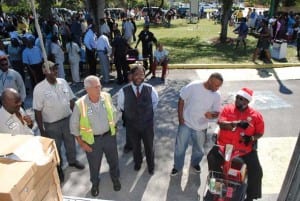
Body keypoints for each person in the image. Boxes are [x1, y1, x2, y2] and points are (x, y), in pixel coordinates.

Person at [206, 87, 264, 201]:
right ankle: (217, 188)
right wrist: (236, 123)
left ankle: (251, 196)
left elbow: (260, 133)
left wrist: (251, 137)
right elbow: (221, 124)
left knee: (257, 171)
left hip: (243, 150)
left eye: (241, 99)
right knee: (211, 158)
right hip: (225, 147)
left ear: (247, 101)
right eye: (237, 97)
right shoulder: (228, 109)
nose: (238, 100)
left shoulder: (256, 116)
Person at [33, 61, 84, 183]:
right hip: (52, 125)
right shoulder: (39, 88)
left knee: (70, 143)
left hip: (68, 120)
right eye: (52, 69)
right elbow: (37, 111)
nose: (55, 71)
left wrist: (77, 119)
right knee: (56, 149)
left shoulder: (63, 82)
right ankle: (58, 168)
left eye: (56, 69)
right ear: (45, 72)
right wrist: (42, 130)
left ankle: (72, 161)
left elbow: (72, 100)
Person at [70, 75, 121, 197]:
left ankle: (115, 179)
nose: (100, 88)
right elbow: (73, 126)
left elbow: (113, 113)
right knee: (94, 165)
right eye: (96, 87)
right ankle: (95, 184)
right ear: (87, 89)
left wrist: (114, 127)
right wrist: (82, 144)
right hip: (93, 141)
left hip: (109, 137)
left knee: (114, 161)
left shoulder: (106, 97)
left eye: (100, 85)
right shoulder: (80, 104)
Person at [170, 73, 223, 176]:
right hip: (186, 123)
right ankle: (177, 166)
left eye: (219, 86)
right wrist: (180, 118)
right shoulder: (193, 86)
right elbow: (181, 99)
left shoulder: (217, 95)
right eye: (216, 85)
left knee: (199, 149)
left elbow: (216, 113)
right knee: (180, 147)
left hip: (201, 127)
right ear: (210, 81)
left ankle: (195, 164)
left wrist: (211, 115)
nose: (218, 88)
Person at [117, 65, 159, 175]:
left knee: (149, 146)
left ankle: (151, 165)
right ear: (131, 76)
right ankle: (138, 162)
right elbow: (121, 106)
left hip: (147, 125)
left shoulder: (150, 89)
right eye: (136, 74)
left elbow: (155, 103)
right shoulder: (123, 91)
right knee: (135, 146)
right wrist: (132, 114)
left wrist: (146, 114)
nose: (139, 77)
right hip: (132, 125)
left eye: (142, 74)